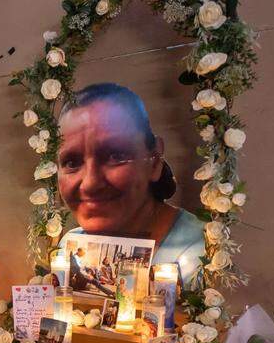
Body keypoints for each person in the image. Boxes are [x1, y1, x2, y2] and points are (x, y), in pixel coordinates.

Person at [57, 82, 205, 282]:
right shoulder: (70, 248)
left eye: (115, 156)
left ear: (154, 160)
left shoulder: (202, 253)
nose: (90, 183)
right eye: (72, 162)